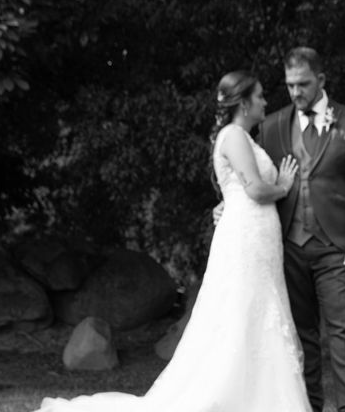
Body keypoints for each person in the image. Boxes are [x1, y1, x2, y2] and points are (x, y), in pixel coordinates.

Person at [33, 70, 312, 412]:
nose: (266, 101)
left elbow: (238, 189)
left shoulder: (244, 138)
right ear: (243, 102)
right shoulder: (235, 136)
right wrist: (283, 185)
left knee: (256, 313)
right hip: (246, 239)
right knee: (241, 313)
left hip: (258, 238)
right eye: (260, 95)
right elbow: (254, 189)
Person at [257, 47, 345, 412]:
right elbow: (254, 177)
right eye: (290, 85)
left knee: (343, 332)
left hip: (338, 247)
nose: (295, 92)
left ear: (321, 80)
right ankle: (308, 406)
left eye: (303, 84)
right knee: (300, 335)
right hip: (289, 246)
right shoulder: (272, 125)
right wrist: (225, 208)